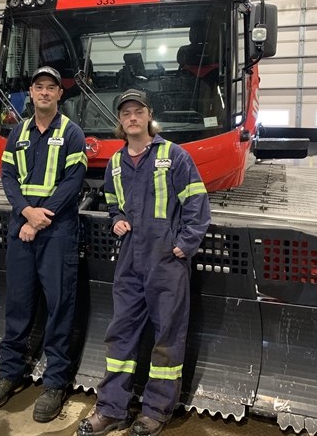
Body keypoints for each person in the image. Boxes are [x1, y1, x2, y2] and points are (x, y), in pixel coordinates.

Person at [78, 89, 211, 436]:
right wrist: (116, 218)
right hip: (130, 259)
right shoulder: (116, 164)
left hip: (166, 260)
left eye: (138, 111)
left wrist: (184, 245)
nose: (132, 117)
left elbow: (197, 204)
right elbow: (111, 201)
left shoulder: (175, 156)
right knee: (120, 334)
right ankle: (111, 409)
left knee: (167, 336)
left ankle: (155, 410)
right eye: (126, 113)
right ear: (120, 121)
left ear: (148, 115)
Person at [0, 66, 87, 422]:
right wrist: (27, 212)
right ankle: (10, 373)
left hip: (57, 232)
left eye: (51, 88)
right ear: (31, 93)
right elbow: (7, 177)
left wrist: (41, 217)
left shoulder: (72, 133)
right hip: (23, 230)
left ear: (60, 95)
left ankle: (55, 381)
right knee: (18, 305)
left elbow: (74, 181)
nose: (44, 92)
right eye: (39, 87)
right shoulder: (18, 133)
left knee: (60, 307)